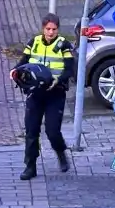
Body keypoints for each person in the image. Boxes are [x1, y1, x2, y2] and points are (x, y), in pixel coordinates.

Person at [10, 13, 75, 181]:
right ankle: (30, 166)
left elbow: (69, 69)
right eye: (48, 29)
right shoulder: (34, 42)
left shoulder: (64, 45)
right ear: (43, 28)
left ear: (58, 30)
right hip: (35, 94)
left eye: (54, 29)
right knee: (32, 131)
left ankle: (60, 152)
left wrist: (58, 80)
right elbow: (24, 60)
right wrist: (15, 70)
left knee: (52, 131)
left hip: (55, 93)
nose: (51, 32)